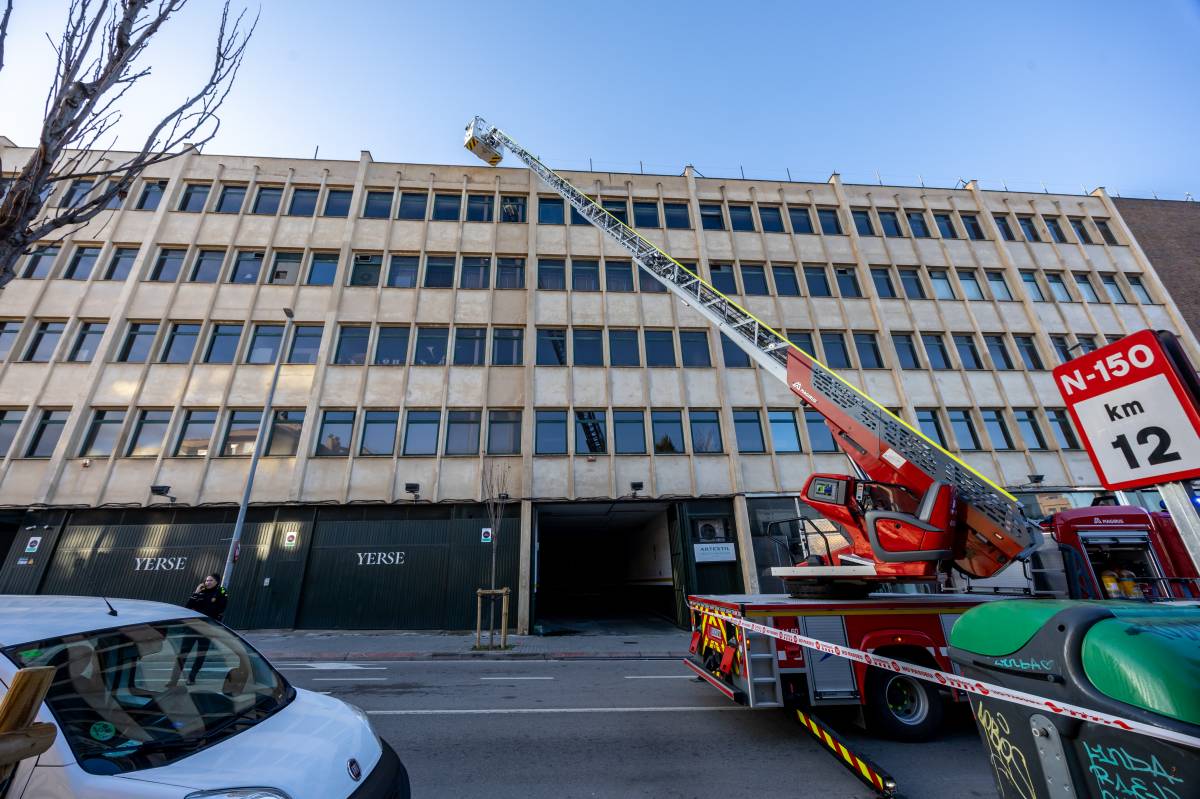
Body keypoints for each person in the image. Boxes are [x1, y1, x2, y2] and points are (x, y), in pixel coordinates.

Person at [169, 573, 228, 686]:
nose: (207, 582)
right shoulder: (200, 592)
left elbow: (219, 609)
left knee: (200, 654)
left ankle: (192, 678)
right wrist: (196, 592)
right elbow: (188, 607)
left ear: (216, 582)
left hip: (207, 629)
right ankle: (173, 680)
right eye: (206, 581)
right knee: (183, 653)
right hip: (192, 627)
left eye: (210, 580)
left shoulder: (221, 592)